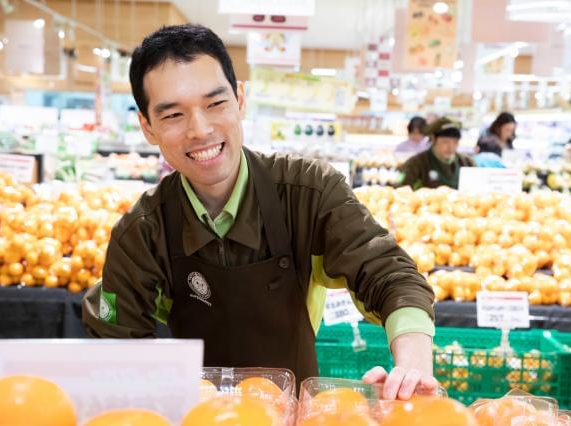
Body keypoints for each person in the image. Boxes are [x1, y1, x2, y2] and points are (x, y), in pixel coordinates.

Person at [82, 24, 437, 400]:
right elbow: (117, 342)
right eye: (173, 115)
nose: (200, 130)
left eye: (215, 103)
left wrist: (412, 364)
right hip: (200, 416)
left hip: (296, 412)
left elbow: (390, 274)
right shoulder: (143, 231)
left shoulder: (308, 192)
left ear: (240, 99)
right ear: (147, 127)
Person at [396, 116, 475, 189]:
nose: (450, 147)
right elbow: (400, 188)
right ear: (434, 139)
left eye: (455, 142)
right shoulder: (416, 164)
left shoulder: (466, 163)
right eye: (445, 142)